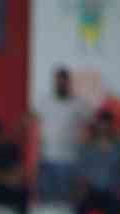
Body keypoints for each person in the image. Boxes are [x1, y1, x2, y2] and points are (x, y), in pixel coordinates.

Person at [33, 67, 92, 203]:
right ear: (54, 83)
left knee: (67, 199)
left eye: (63, 81)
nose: (60, 84)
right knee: (46, 198)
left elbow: (92, 125)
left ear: (68, 83)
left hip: (69, 160)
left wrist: (85, 142)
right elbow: (32, 117)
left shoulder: (79, 103)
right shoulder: (44, 101)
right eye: (58, 81)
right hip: (47, 159)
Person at [73, 110, 120, 214]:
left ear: (112, 125)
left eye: (106, 124)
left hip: (114, 190)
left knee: (116, 203)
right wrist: (83, 185)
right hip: (92, 190)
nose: (103, 127)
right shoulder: (88, 145)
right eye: (101, 124)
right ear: (96, 125)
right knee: (80, 201)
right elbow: (80, 169)